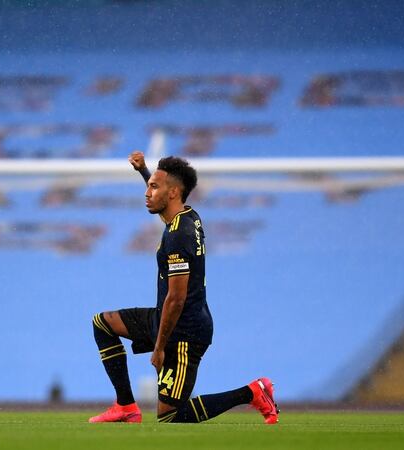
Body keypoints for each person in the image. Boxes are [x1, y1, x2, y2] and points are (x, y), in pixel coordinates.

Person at [88, 152, 279, 424]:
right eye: (149, 186)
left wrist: (159, 347)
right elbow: (163, 199)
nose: (147, 193)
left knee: (170, 416)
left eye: (153, 187)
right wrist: (144, 171)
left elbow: (176, 298)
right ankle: (125, 405)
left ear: (173, 193)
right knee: (103, 324)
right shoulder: (186, 215)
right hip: (166, 317)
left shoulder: (179, 235)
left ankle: (252, 392)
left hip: (184, 330)